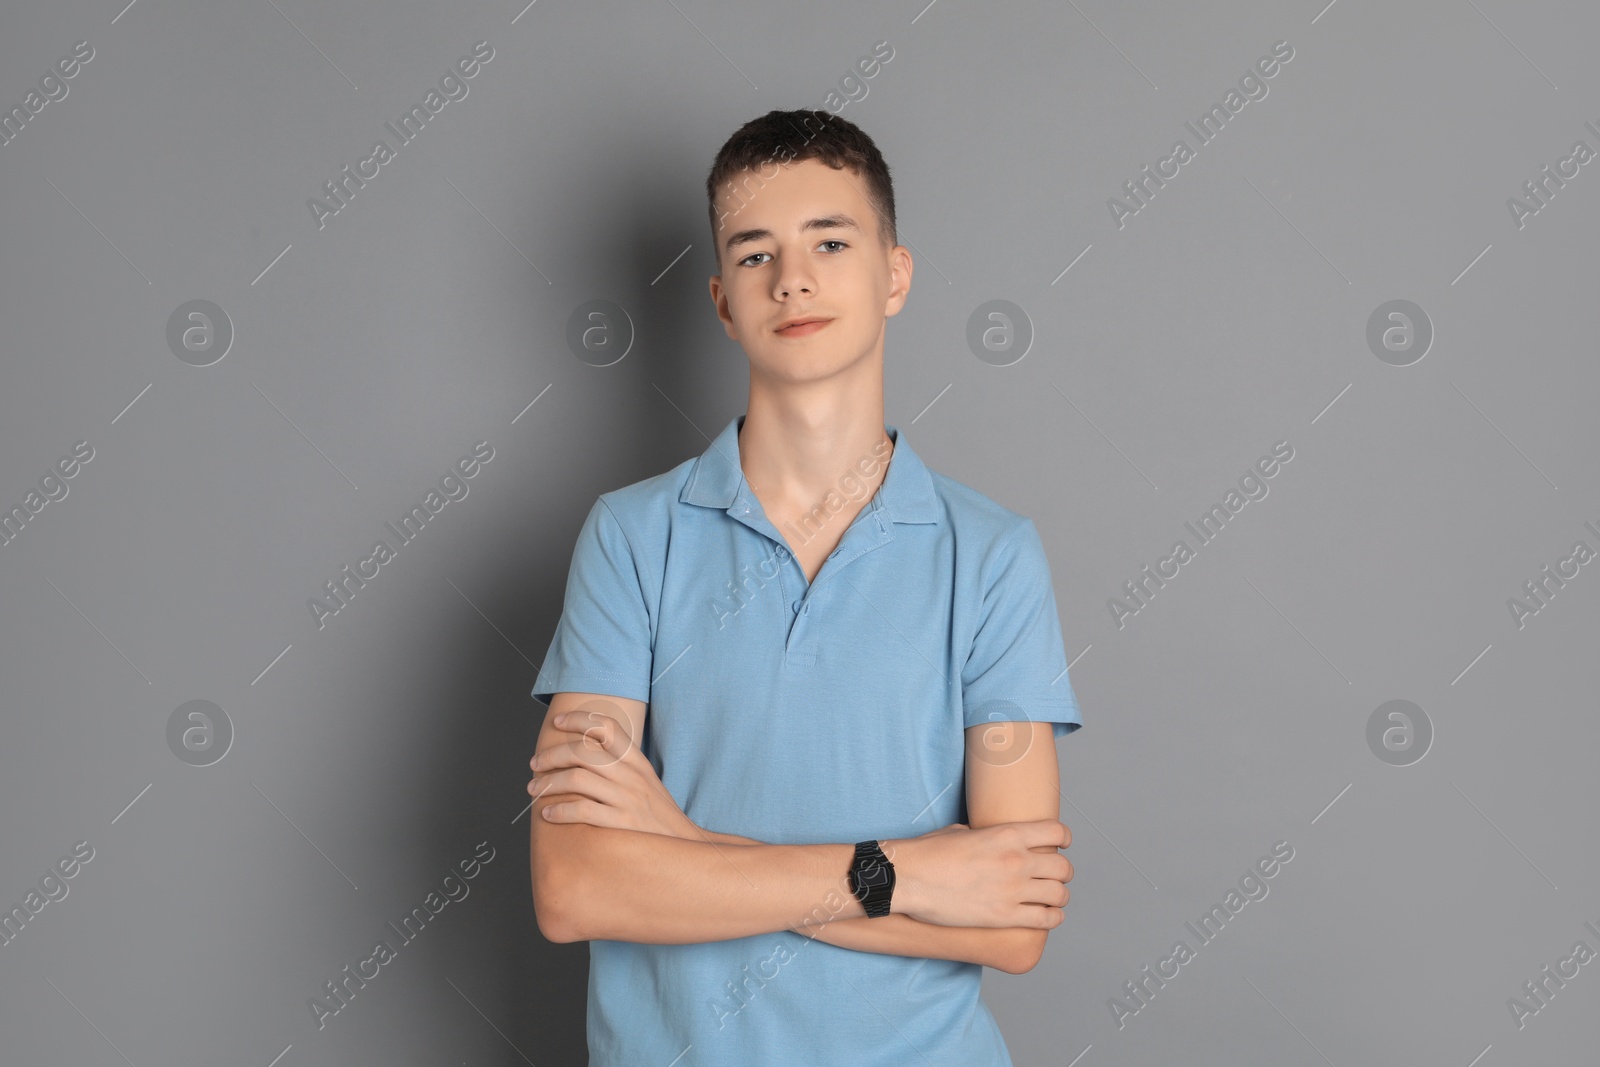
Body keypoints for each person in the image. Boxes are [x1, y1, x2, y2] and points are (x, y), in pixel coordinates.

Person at [527, 108, 1083, 1067]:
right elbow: (576, 887)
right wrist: (897, 874)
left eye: (831, 239)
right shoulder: (630, 538)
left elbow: (1010, 921)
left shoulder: (993, 556)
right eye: (754, 254)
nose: (793, 278)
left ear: (894, 274)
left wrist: (685, 851)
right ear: (720, 300)